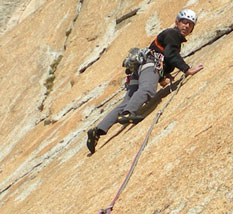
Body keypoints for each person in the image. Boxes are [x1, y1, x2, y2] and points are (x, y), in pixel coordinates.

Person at [87, 9, 205, 153]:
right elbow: (170, 55)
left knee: (126, 101)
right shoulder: (172, 34)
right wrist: (188, 69)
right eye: (184, 22)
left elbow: (162, 54)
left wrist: (162, 77)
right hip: (149, 65)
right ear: (177, 22)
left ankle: (98, 131)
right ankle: (128, 113)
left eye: (190, 24)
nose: (186, 26)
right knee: (148, 89)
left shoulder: (170, 36)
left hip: (139, 70)